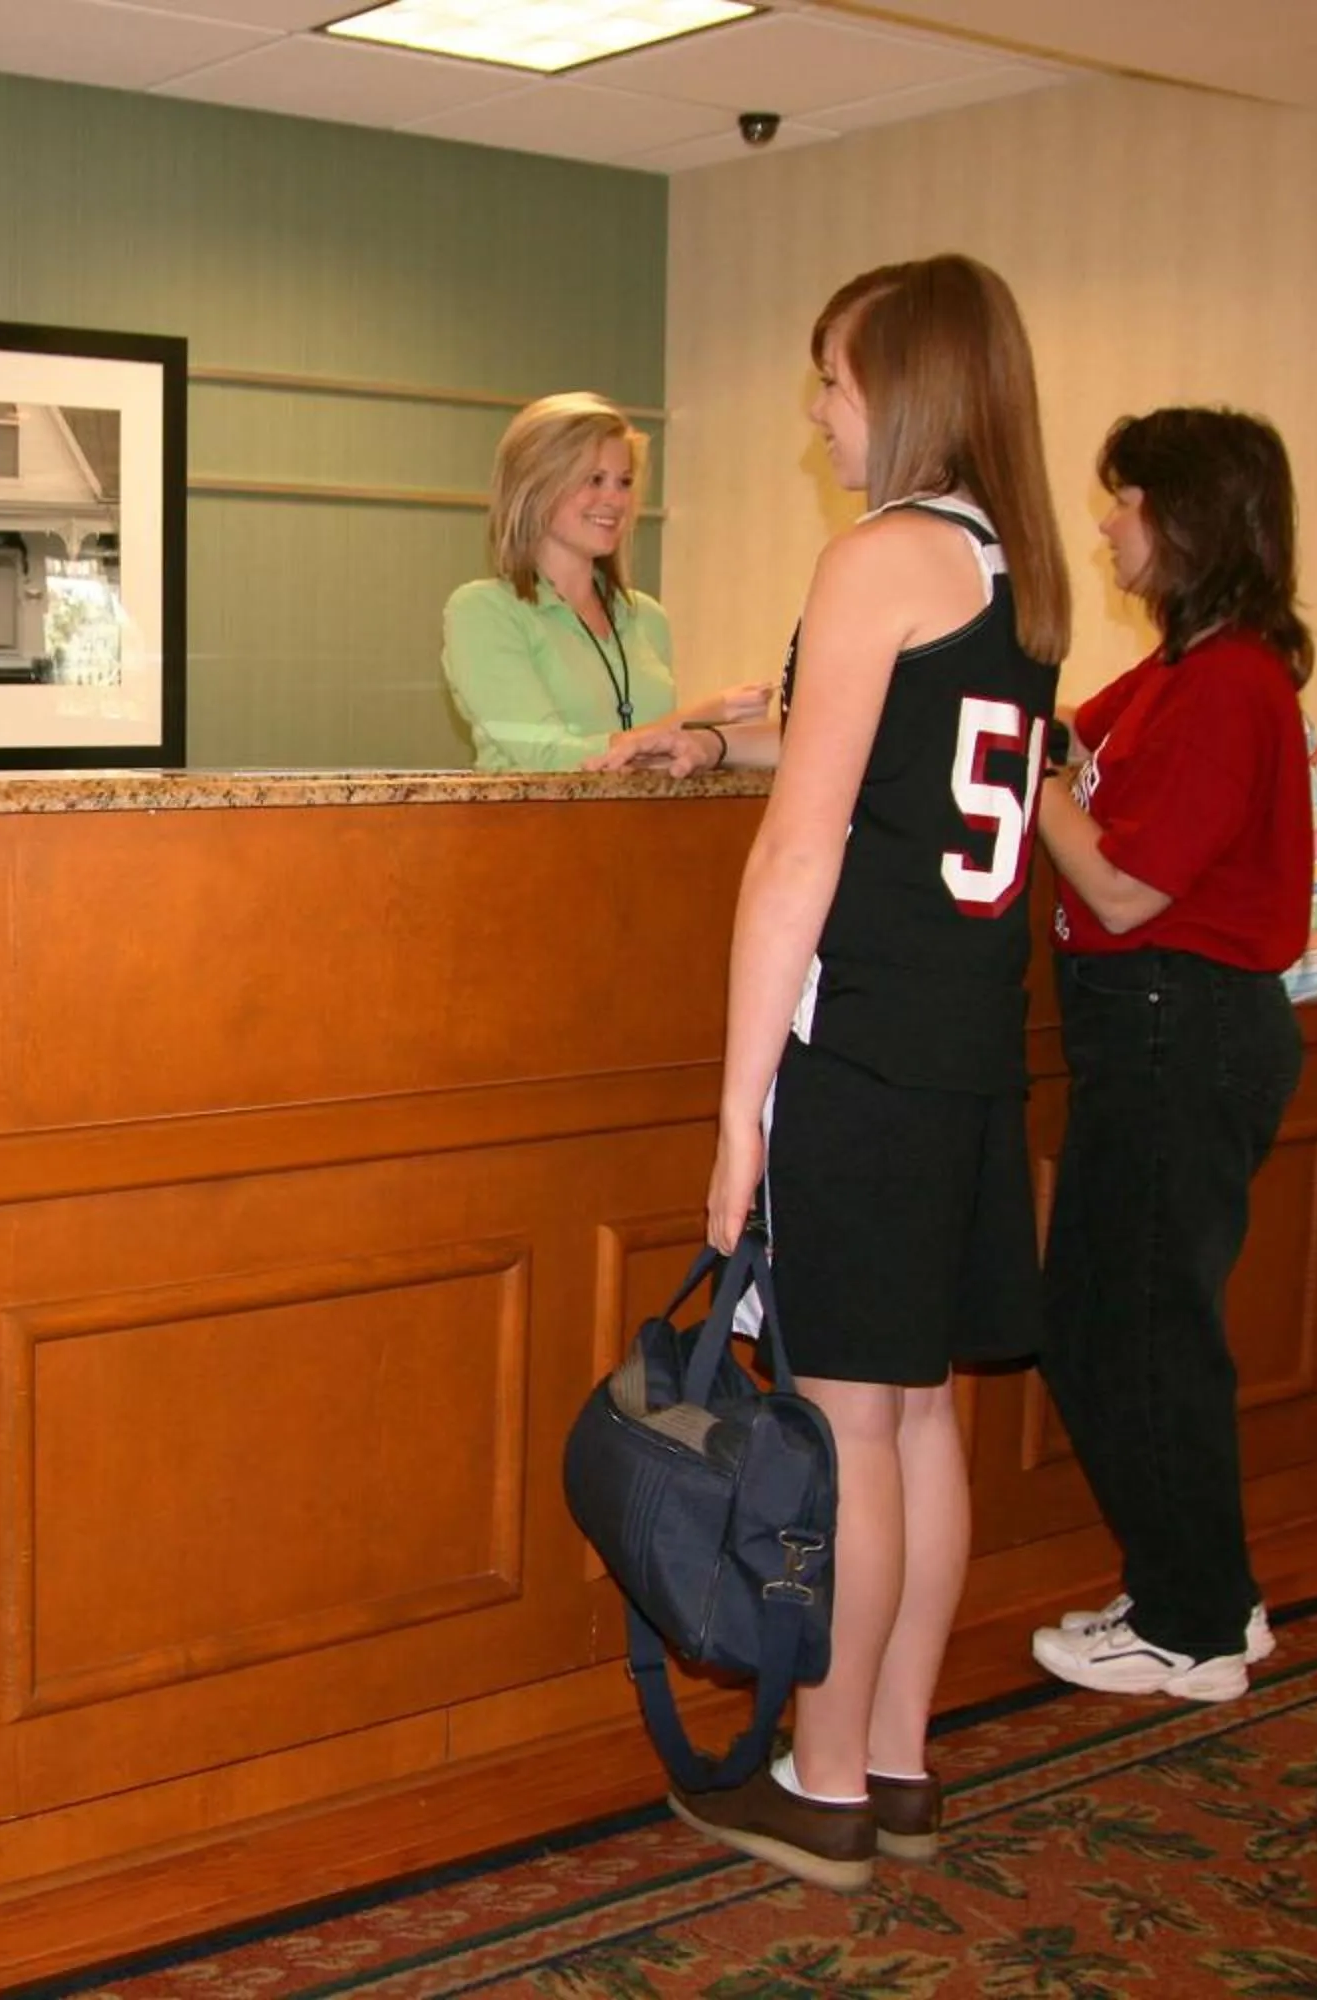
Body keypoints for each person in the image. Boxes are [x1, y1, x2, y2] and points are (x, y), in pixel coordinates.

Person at [673, 255, 1068, 1893]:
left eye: (833, 379)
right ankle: (897, 1760)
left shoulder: (877, 554)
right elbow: (896, 753)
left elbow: (801, 852)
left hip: (863, 1058)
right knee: (917, 1421)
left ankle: (819, 1783)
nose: (819, 411)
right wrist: (720, 730)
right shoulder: (1008, 564)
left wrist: (734, 1112)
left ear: (904, 385)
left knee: (841, 1429)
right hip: (971, 1047)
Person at [1025, 409, 1314, 1703]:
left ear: (1187, 520)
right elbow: (1073, 732)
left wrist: (1032, 794)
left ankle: (1191, 1626)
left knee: (1129, 1335)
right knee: (1120, 1323)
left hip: (1178, 1030)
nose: (1106, 524)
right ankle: (1206, 1594)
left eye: (1125, 502)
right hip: (1158, 1034)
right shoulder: (1179, 671)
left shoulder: (1232, 680)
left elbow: (1130, 886)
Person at [442, 392, 767, 770]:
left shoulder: (646, 616)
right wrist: (702, 718)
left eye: (624, 482)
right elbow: (546, 757)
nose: (615, 499)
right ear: (535, 486)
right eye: (594, 480)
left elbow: (656, 763)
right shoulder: (482, 612)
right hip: (530, 829)